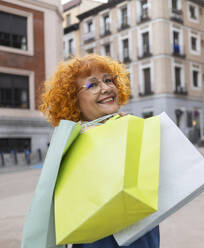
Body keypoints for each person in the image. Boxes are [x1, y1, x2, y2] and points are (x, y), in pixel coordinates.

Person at [40, 54, 160, 248]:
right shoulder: (70, 146)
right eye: (92, 85)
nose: (106, 88)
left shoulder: (133, 128)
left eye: (108, 80)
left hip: (144, 238)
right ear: (73, 100)